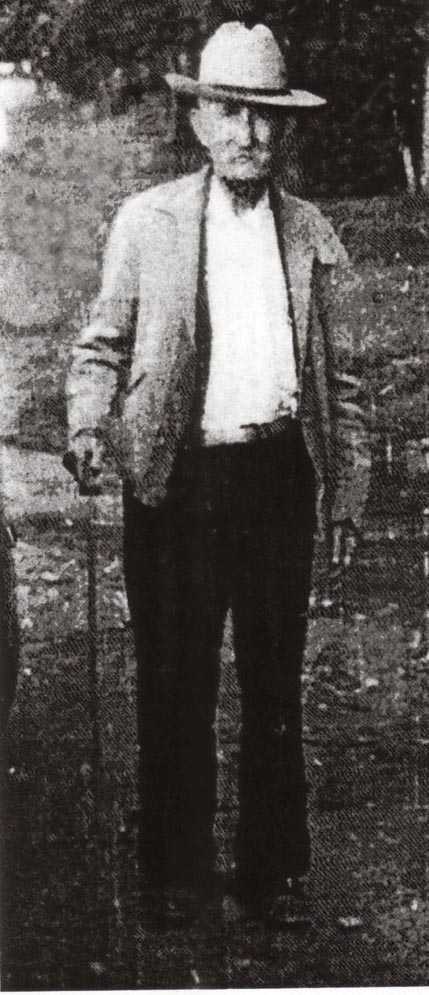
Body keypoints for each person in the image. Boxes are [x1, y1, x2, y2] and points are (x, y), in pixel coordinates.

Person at [66, 22, 370, 927]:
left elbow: (341, 381)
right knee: (175, 678)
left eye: (265, 117)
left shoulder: (311, 231)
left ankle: (271, 877)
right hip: (176, 481)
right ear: (198, 121)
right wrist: (87, 426)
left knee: (273, 683)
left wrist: (347, 488)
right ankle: (175, 875)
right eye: (229, 113)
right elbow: (100, 347)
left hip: (277, 477)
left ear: (285, 129)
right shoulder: (147, 221)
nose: (247, 133)